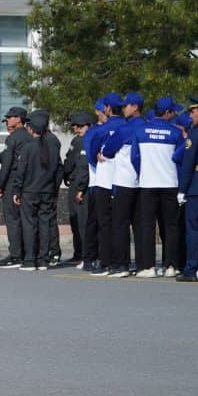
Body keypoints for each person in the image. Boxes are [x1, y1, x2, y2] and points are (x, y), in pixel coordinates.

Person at [136, 97, 186, 277]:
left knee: (147, 226)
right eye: (173, 111)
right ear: (167, 112)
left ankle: (149, 267)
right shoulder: (175, 132)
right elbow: (180, 159)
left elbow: (135, 157)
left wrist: (141, 174)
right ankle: (170, 266)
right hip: (170, 184)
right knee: (170, 226)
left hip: (148, 184)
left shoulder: (141, 130)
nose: (173, 114)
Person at [11, 110, 61, 271]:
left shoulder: (28, 148)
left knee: (29, 224)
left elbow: (21, 171)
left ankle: (30, 260)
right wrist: (54, 188)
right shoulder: (52, 146)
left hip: (29, 192)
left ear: (31, 129)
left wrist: (17, 191)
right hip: (47, 191)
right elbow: (58, 170)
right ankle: (43, 259)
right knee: (45, 224)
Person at [101, 91, 144, 278]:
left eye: (126, 105)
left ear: (134, 107)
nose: (123, 108)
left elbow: (108, 151)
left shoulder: (124, 129)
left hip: (124, 182)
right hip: (144, 183)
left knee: (120, 224)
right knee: (142, 226)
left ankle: (121, 264)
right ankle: (144, 265)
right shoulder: (146, 127)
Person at [83, 96, 117, 274]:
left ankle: (108, 257)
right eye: (102, 111)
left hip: (113, 182)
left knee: (109, 222)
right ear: (97, 112)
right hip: (97, 182)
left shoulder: (111, 128)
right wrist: (101, 162)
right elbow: (91, 155)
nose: (105, 114)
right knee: (94, 221)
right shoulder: (93, 131)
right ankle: (89, 257)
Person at [0, 106, 30, 268]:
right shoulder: (30, 137)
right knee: (25, 219)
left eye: (9, 117)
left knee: (13, 219)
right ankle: (26, 252)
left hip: (13, 181)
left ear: (18, 119)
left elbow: (7, 164)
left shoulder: (13, 138)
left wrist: (1, 184)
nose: (7, 121)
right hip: (28, 182)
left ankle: (16, 255)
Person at [172, 96, 198, 282]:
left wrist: (182, 189)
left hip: (197, 187)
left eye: (193, 111)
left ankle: (191, 268)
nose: (191, 115)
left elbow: (188, 162)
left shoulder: (195, 133)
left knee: (193, 229)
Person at [62, 111, 93, 267]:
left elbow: (84, 167)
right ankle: (78, 252)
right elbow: (69, 161)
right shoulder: (77, 140)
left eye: (80, 126)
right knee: (75, 220)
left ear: (89, 126)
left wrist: (81, 187)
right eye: (75, 125)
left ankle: (86, 254)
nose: (77, 128)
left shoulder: (87, 140)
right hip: (74, 182)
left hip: (82, 185)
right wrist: (65, 175)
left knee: (83, 221)